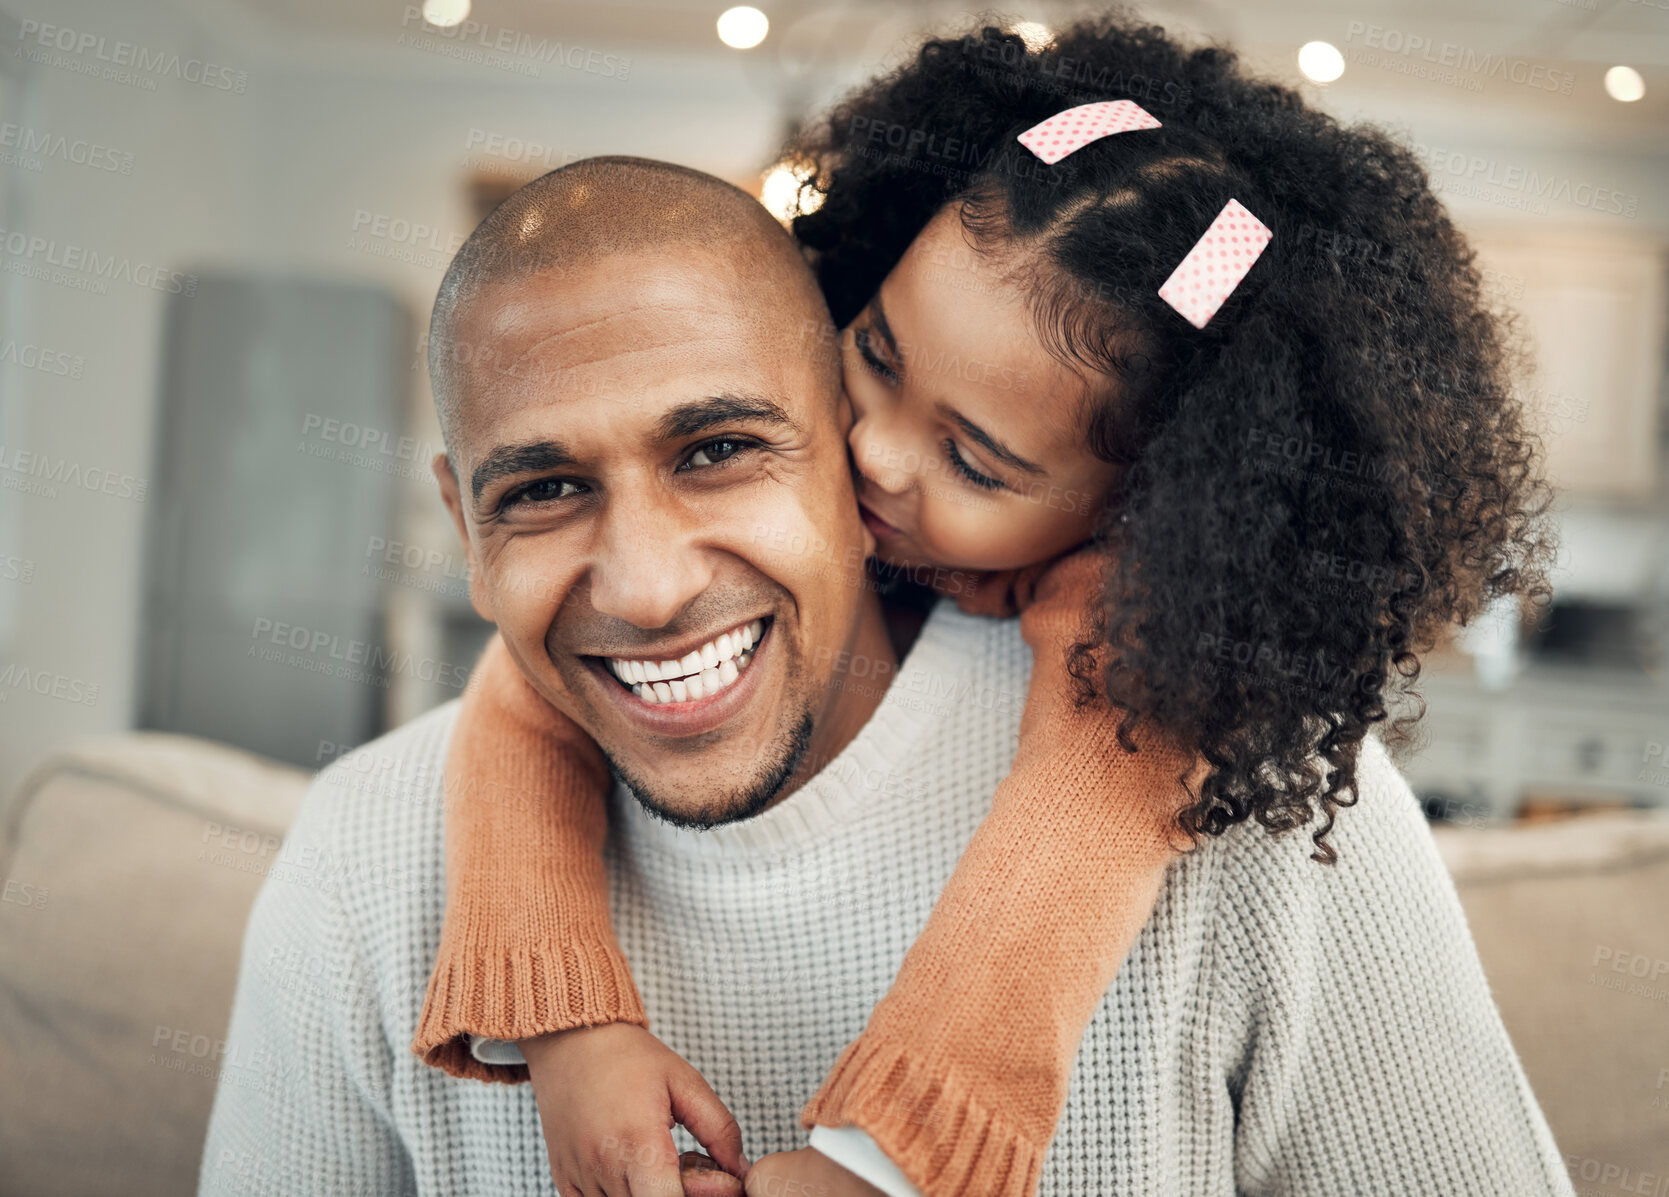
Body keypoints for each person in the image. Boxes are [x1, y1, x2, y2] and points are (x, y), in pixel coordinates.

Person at [200, 161, 1571, 1197]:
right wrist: (556, 1014)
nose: (645, 584)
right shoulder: (364, 847)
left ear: (828, 443)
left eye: (719, 447)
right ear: (460, 518)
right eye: (545, 489)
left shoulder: (1248, 781)